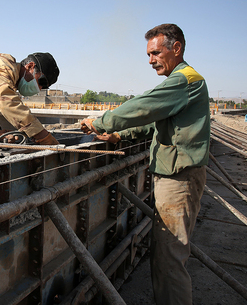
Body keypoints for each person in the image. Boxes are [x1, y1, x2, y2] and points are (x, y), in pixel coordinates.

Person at [80, 24, 210, 305]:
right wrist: (118, 135)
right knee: (165, 255)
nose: (150, 60)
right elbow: (153, 122)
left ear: (176, 48)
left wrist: (100, 122)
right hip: (176, 177)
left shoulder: (184, 81)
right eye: (148, 54)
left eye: (155, 53)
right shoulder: (182, 82)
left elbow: (143, 107)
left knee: (169, 260)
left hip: (180, 180)